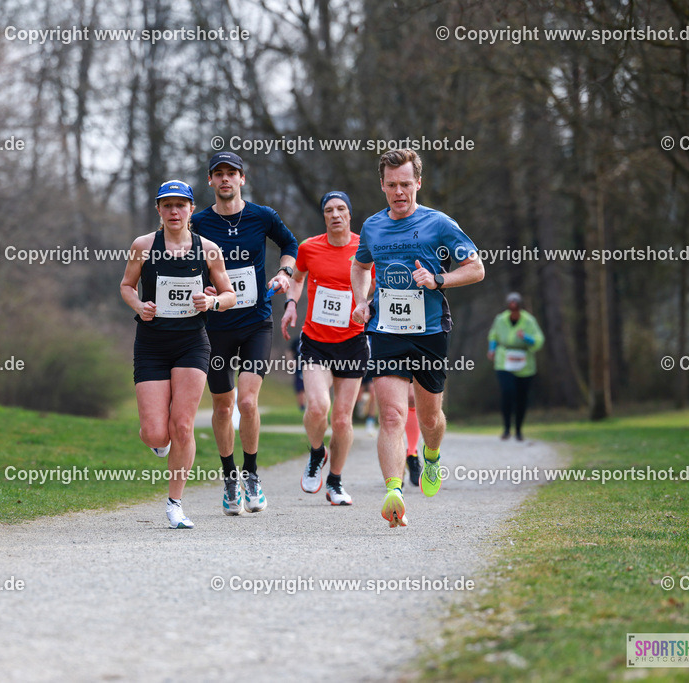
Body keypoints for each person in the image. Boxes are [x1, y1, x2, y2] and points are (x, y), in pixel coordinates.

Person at [351, 149, 485, 527]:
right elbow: (360, 264)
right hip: (386, 331)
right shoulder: (373, 226)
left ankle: (432, 454)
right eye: (392, 185)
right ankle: (393, 490)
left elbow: (475, 268)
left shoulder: (439, 224)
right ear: (382, 185)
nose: (399, 192)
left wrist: (438, 279)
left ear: (418, 183)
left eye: (406, 184)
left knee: (429, 418)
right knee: (392, 414)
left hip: (429, 332)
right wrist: (362, 300)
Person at [120, 180, 236, 529]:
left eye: (180, 205)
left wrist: (212, 301)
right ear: (158, 209)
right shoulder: (143, 245)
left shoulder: (208, 249)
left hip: (191, 343)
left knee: (182, 425)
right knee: (157, 433)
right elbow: (126, 285)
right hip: (152, 343)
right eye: (167, 205)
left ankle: (175, 503)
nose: (174, 212)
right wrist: (140, 305)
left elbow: (230, 294)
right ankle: (159, 442)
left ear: (190, 209)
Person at [193, 152, 299, 516]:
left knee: (248, 402)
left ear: (242, 178)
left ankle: (252, 475)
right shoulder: (197, 223)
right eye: (218, 174)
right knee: (222, 406)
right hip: (216, 325)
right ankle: (229, 479)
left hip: (256, 320)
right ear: (210, 181)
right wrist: (203, 289)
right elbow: (187, 264)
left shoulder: (262, 216)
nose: (225, 179)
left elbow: (290, 245)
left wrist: (285, 273)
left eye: (231, 173)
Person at [281, 191, 368, 506]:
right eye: (329, 210)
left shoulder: (364, 246)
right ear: (324, 216)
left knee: (343, 419)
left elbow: (379, 282)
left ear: (349, 213)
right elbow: (299, 277)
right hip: (316, 341)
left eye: (341, 209)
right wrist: (291, 303)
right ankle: (317, 453)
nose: (335, 214)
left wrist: (368, 306)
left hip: (354, 341)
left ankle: (335, 481)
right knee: (318, 407)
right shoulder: (309, 247)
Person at [487, 292, 545, 441]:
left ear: (520, 306)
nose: (513, 309)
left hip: (524, 363)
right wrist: (492, 349)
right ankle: (506, 428)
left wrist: (526, 337)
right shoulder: (500, 319)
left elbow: (539, 340)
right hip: (504, 360)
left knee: (522, 397)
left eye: (516, 306)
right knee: (507, 392)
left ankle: (518, 429)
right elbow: (493, 335)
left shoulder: (529, 321)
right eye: (510, 306)